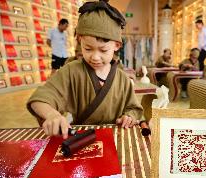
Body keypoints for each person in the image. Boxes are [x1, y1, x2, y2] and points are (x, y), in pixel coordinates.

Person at [27, 0, 143, 139]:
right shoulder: (72, 71)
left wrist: (129, 117)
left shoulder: (122, 78)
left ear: (117, 45)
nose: (95, 57)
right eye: (87, 48)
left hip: (115, 138)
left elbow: (134, 108)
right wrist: (52, 115)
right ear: (80, 40)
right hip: (80, 139)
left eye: (103, 50)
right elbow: (39, 99)